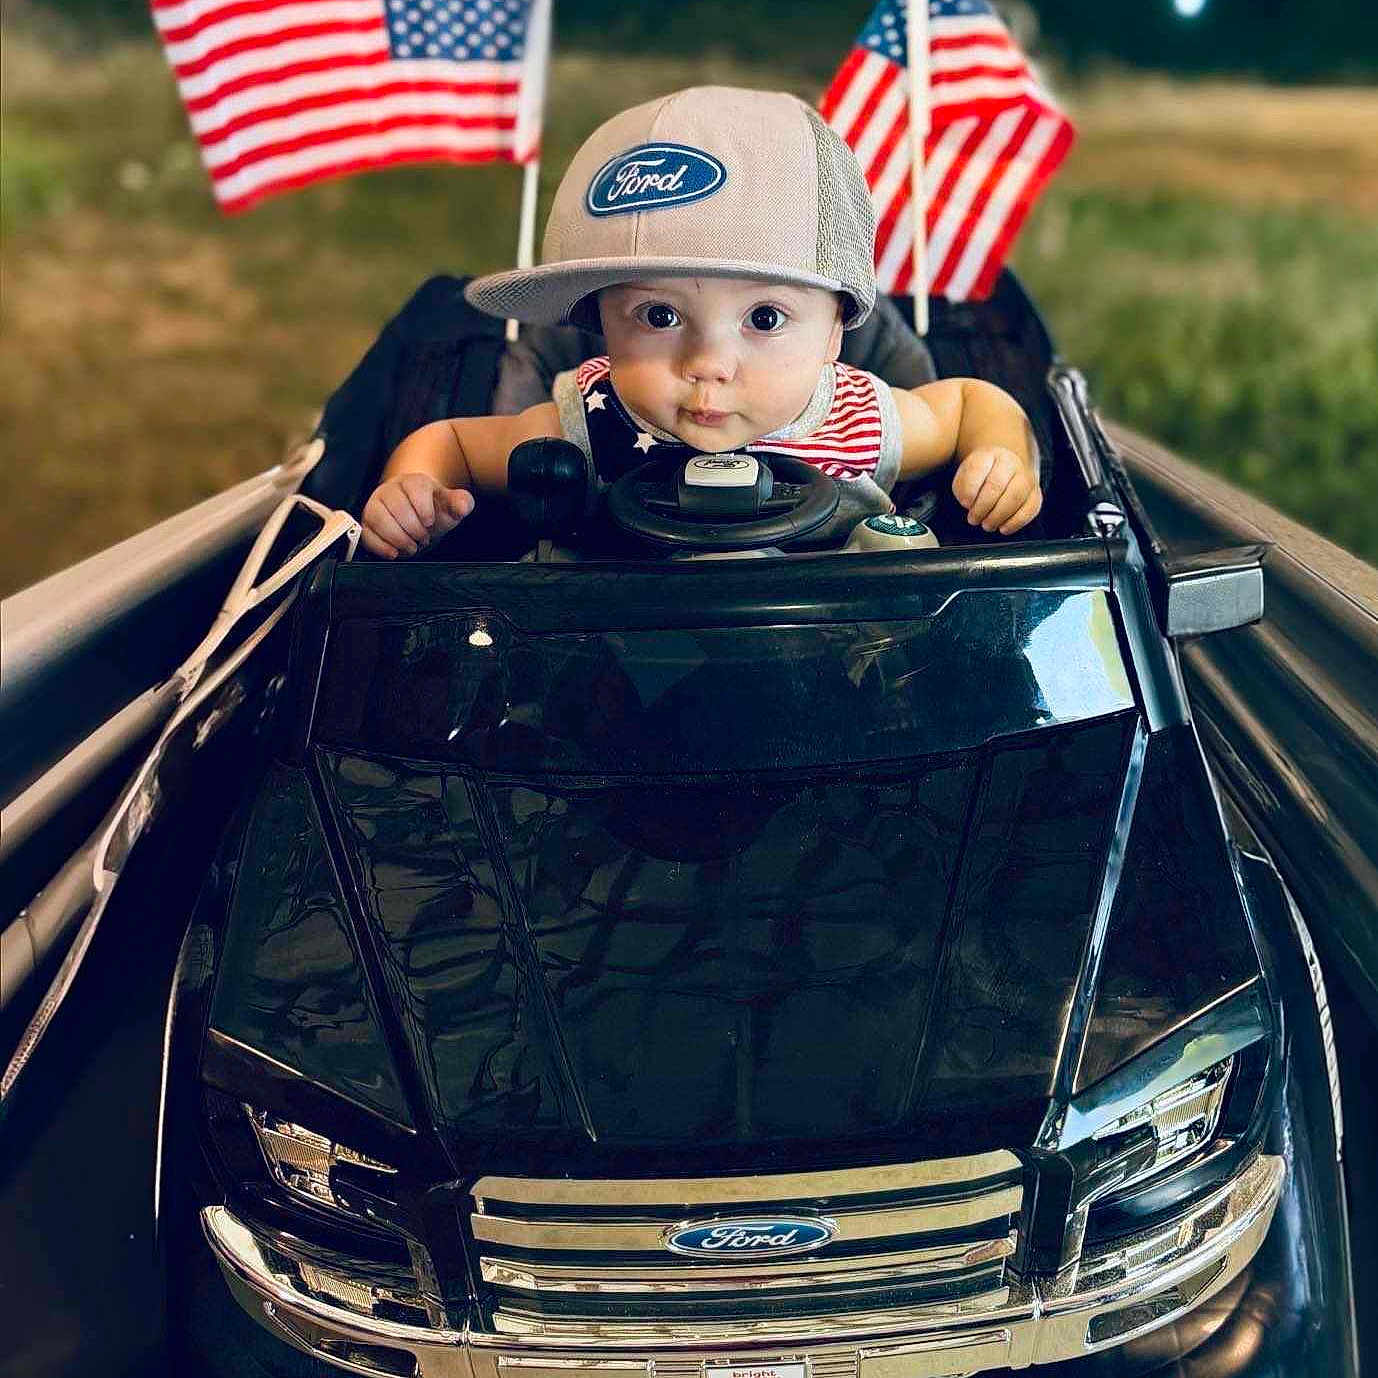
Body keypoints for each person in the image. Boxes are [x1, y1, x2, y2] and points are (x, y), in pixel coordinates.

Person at [361, 86, 1040, 560]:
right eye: (659, 315)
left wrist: (1002, 458)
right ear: (600, 318)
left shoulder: (858, 423)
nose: (707, 363)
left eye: (765, 317)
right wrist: (414, 489)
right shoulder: (592, 423)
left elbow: (970, 405)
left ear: (836, 329)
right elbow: (453, 440)